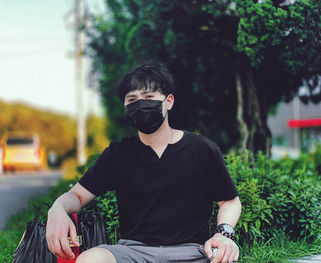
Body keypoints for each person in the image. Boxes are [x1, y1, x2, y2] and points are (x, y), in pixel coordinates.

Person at [46, 62, 242, 263]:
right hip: (133, 253)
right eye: (132, 99)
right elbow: (77, 196)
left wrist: (223, 234)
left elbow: (229, 200)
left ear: (169, 101)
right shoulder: (118, 153)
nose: (140, 104)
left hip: (192, 253)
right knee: (90, 260)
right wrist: (57, 209)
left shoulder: (202, 149)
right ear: (125, 106)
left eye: (149, 97)